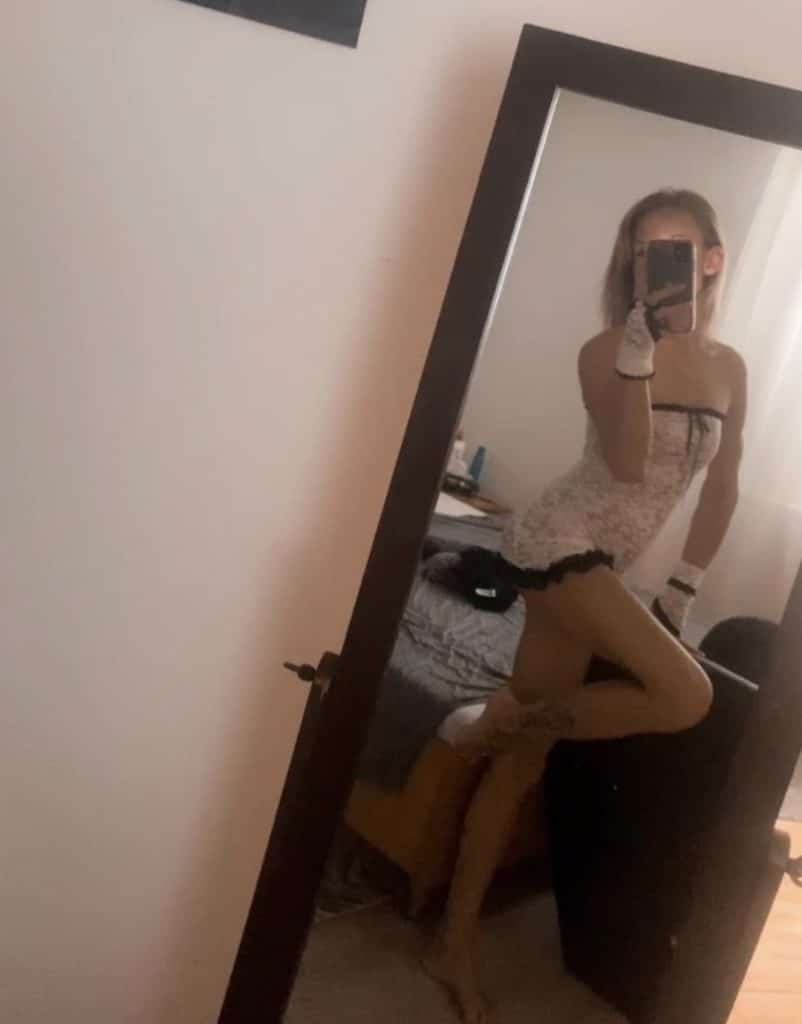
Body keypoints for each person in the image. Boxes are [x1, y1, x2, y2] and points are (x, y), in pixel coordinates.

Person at [422, 189, 747, 1023]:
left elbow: (724, 486)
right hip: (556, 539)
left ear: (712, 260)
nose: (655, 264)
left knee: (522, 758)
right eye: (643, 250)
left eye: (675, 248)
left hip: (609, 562)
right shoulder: (604, 349)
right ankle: (500, 717)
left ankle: (452, 942)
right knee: (687, 695)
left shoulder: (730, 368)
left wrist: (684, 585)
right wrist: (638, 356)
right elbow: (631, 465)